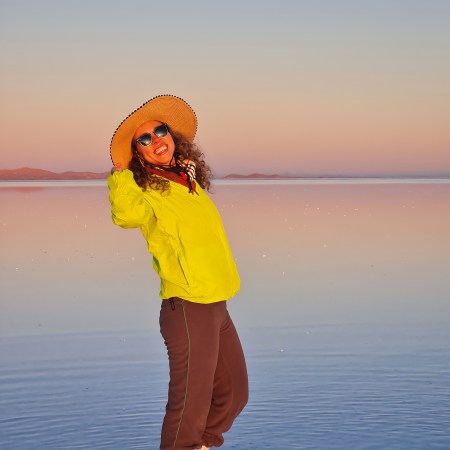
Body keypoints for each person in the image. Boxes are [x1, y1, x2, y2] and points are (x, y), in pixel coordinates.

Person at [108, 95, 248, 450]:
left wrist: (187, 172)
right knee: (188, 409)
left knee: (234, 395)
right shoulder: (145, 191)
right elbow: (126, 216)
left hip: (216, 302)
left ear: (172, 136)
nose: (156, 140)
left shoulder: (188, 183)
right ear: (137, 154)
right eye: (144, 139)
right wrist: (121, 175)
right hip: (187, 306)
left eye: (160, 131)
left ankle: (201, 446)